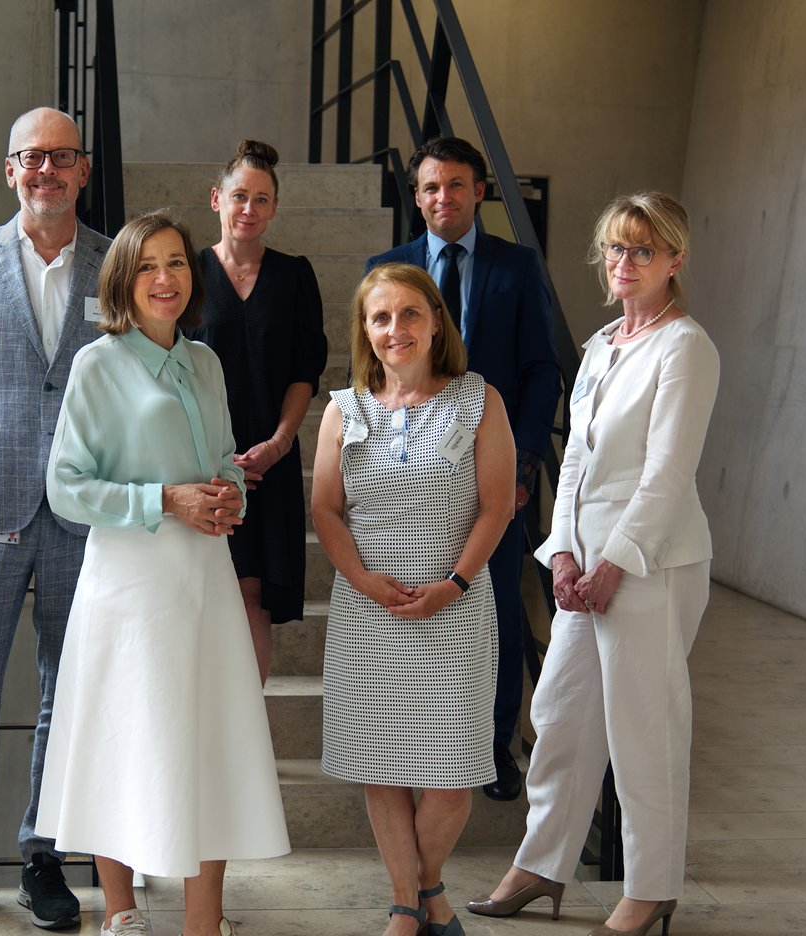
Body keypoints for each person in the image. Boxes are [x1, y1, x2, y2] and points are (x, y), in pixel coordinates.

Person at [467, 192, 718, 936]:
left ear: (675, 259)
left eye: (643, 250)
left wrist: (613, 562)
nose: (624, 263)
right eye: (615, 248)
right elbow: (572, 454)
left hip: (654, 564)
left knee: (644, 730)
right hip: (586, 566)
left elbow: (668, 473)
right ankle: (541, 865)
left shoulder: (686, 347)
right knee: (560, 717)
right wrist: (566, 550)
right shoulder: (604, 343)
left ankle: (650, 887)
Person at [40, 212, 290, 936]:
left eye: (177, 263)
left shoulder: (205, 362)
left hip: (204, 578)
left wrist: (228, 493)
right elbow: (66, 488)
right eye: (148, 265)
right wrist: (164, 500)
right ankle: (121, 911)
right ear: (124, 278)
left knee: (204, 738)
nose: (164, 278)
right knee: (125, 734)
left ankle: (202, 921)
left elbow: (222, 460)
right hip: (130, 583)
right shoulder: (97, 365)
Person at [0, 106, 109, 930]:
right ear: (10, 171)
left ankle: (43, 853)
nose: (47, 171)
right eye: (31, 158)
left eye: (61, 157)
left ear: (83, 169)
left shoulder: (116, 262)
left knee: (66, 692)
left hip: (86, 507)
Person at [312, 263, 514, 936]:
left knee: (452, 780)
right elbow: (326, 511)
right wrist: (364, 581)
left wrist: (453, 583)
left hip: (452, 606)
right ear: (364, 331)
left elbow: (495, 507)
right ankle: (413, 908)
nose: (394, 329)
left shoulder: (479, 399)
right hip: (370, 609)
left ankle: (422, 893)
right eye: (380, 318)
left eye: (408, 315)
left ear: (434, 323)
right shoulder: (344, 408)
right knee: (383, 766)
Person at [366, 135, 559, 801]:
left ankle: (493, 744)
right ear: (415, 196)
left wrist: (526, 457)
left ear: (479, 191)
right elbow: (369, 374)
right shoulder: (386, 266)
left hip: (494, 471)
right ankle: (412, 738)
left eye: (454, 184)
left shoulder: (516, 267)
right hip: (407, 473)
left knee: (497, 605)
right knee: (411, 601)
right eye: (429, 187)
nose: (441, 197)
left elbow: (541, 369)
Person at [186, 139, 327, 683]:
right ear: (216, 199)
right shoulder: (187, 273)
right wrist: (213, 459)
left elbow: (304, 371)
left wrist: (281, 442)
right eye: (239, 196)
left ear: (274, 208)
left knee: (253, 594)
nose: (249, 209)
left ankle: (245, 740)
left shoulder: (295, 276)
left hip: (269, 460)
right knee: (202, 593)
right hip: (201, 463)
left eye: (262, 199)